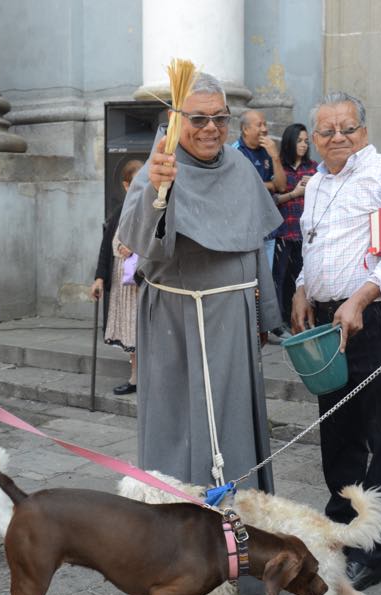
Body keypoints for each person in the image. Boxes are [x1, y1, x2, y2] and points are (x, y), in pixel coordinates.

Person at [117, 73, 282, 500]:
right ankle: (177, 523)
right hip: (177, 321)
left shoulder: (241, 166)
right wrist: (157, 188)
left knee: (232, 423)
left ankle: (239, 517)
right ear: (176, 120)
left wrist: (265, 317)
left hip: (232, 321)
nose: (211, 127)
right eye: (198, 118)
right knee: (178, 423)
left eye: (220, 118)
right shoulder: (160, 163)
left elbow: (253, 243)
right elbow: (135, 241)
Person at [290, 92, 381, 591]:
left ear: (364, 131)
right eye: (326, 131)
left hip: (378, 317)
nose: (337, 138)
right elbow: (313, 245)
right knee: (338, 431)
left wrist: (363, 296)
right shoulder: (315, 186)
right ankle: (340, 527)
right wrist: (302, 289)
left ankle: (372, 548)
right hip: (331, 324)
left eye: (347, 128)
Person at [91, 159, 144, 394]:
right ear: (126, 185)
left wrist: (137, 250)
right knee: (131, 333)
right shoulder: (119, 212)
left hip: (143, 281)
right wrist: (100, 278)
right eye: (136, 182)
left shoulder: (154, 208)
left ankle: (149, 379)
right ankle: (135, 378)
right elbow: (106, 247)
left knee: (144, 331)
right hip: (123, 283)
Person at [272, 123, 317, 333]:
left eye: (306, 141)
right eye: (299, 140)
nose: (303, 145)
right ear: (290, 141)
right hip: (282, 231)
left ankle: (299, 318)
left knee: (300, 276)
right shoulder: (279, 166)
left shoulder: (314, 168)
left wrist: (316, 184)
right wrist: (295, 193)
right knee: (278, 278)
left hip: (305, 234)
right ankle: (278, 320)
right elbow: (271, 199)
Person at [233, 109, 287, 269]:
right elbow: (240, 186)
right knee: (248, 276)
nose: (264, 129)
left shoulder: (268, 151)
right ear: (245, 129)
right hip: (246, 228)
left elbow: (281, 186)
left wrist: (275, 157)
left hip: (268, 227)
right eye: (259, 125)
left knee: (267, 280)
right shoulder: (235, 151)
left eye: (265, 124)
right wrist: (269, 185)